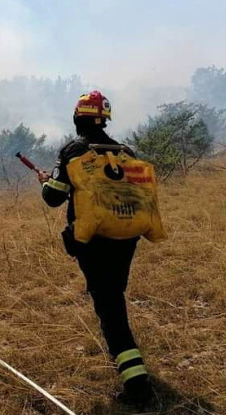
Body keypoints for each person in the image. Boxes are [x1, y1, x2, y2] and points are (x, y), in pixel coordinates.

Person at [37, 90, 163, 408]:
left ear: (78, 118)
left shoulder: (73, 151)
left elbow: (54, 197)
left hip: (94, 243)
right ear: (104, 119)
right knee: (113, 298)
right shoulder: (124, 150)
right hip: (127, 238)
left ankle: (138, 386)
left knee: (110, 309)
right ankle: (128, 363)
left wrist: (46, 182)